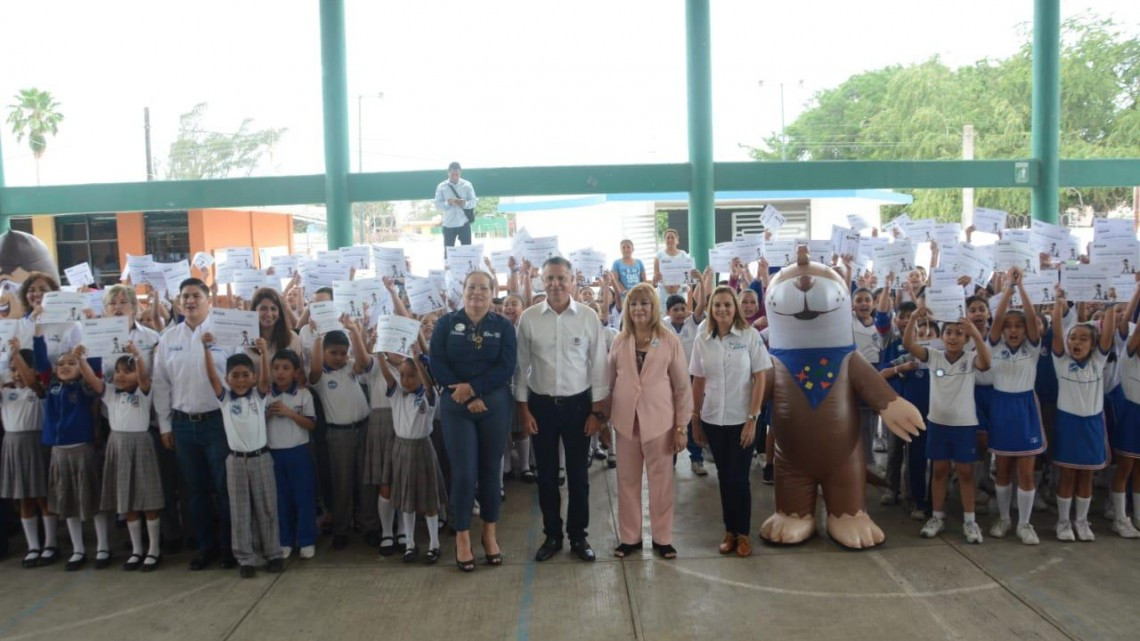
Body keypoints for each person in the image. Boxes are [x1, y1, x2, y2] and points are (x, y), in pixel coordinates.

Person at [515, 257, 609, 563]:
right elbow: (520, 368)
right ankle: (552, 535)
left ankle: (578, 536)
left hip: (578, 407)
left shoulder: (587, 317)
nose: (555, 284)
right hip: (541, 406)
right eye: (549, 278)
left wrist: (596, 413)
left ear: (572, 282)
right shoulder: (529, 319)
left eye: (561, 278)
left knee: (579, 475)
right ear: (542, 281)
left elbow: (598, 366)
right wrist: (524, 410)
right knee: (546, 477)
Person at [430, 270, 517, 571]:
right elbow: (437, 364)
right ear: (462, 291)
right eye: (471, 287)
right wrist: (466, 394)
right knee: (465, 474)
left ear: (493, 292)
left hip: (493, 402)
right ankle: (463, 537)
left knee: (491, 472)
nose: (477, 292)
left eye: (483, 287)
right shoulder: (445, 324)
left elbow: (506, 367)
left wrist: (475, 388)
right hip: (456, 403)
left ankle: (489, 536)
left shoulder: (503, 327)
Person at [152, 277, 237, 571]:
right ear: (178, 302)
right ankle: (205, 547)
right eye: (185, 297)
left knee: (224, 489)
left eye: (196, 296)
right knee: (195, 491)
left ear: (208, 300)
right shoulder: (168, 338)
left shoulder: (224, 332)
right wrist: (165, 426)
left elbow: (239, 377)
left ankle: (229, 548)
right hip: (183, 426)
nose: (190, 301)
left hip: (218, 423)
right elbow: (161, 385)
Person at [606, 284, 693, 559]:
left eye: (644, 303)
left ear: (654, 307)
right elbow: (609, 383)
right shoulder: (620, 340)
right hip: (626, 423)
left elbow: (682, 388)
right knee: (627, 481)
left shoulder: (668, 340)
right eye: (633, 304)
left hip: (660, 423)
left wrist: (681, 427)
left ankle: (662, 538)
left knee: (662, 482)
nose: (638, 309)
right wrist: (604, 420)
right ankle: (630, 538)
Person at [690, 286, 771, 557]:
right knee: (724, 477)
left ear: (735, 307)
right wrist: (695, 418)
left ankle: (744, 533)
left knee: (740, 478)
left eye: (727, 304)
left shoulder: (750, 337)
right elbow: (698, 380)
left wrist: (753, 417)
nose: (722, 310)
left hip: (741, 419)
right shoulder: (703, 339)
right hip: (713, 419)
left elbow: (761, 377)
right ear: (711, 309)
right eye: (717, 305)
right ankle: (730, 531)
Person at [904, 302, 991, 543]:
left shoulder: (971, 358)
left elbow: (986, 362)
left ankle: (970, 521)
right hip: (938, 424)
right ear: (941, 337)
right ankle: (937, 517)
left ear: (966, 338)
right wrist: (913, 318)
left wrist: (976, 334)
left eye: (959, 333)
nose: (953, 338)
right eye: (949, 333)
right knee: (939, 471)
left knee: (965, 473)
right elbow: (909, 344)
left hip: (964, 426)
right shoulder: (933, 356)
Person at [202, 336, 284, 578]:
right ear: (227, 379)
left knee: (267, 507)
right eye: (234, 375)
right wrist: (206, 349)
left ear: (254, 377)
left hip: (261, 459)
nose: (240, 380)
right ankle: (245, 558)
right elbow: (211, 377)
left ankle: (273, 554)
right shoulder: (225, 399)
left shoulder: (259, 396)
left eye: (245, 374)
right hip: (236, 461)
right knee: (240, 511)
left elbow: (266, 378)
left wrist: (262, 352)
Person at [78, 343, 165, 572]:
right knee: (128, 502)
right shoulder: (110, 394)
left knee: (148, 499)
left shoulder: (143, 392)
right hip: (118, 445)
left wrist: (137, 355)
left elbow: (144, 377)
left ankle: (153, 549)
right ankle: (137, 550)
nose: (120, 376)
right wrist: (81, 359)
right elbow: (93, 380)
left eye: (127, 371)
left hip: (141, 445)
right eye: (117, 371)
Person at [32, 331, 109, 571]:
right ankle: (78, 549)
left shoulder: (85, 389)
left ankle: (103, 547)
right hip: (58, 452)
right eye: (61, 364)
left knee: (92, 499)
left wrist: (87, 340)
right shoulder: (53, 386)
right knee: (67, 501)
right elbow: (42, 363)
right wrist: (38, 337)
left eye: (71, 363)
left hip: (82, 449)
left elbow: (94, 372)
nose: (65, 366)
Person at [986, 268, 1046, 544]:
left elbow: (1032, 318)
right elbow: (996, 317)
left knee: (1025, 470)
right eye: (1009, 326)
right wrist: (1008, 287)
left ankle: (1024, 523)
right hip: (1001, 407)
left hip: (1024, 409)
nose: (1012, 329)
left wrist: (1021, 288)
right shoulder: (995, 346)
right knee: (1004, 468)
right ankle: (1004, 518)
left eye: (1018, 325)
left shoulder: (1032, 347)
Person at [1050, 289, 1114, 542]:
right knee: (1067, 474)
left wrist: (1110, 304)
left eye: (1083, 339)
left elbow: (1108, 333)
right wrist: (1057, 303)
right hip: (1068, 424)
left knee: (1087, 474)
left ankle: (1081, 521)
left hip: (1092, 425)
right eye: (1072, 338)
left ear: (1093, 344)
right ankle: (1063, 522)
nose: (1076, 343)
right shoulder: (1061, 362)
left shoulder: (1099, 360)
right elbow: (1056, 331)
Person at [309, 320, 371, 550]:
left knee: (366, 481)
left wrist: (354, 331)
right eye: (333, 353)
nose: (339, 357)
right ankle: (341, 529)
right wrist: (317, 337)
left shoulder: (350, 366)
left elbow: (364, 362)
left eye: (343, 353)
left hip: (363, 429)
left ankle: (369, 525)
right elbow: (314, 370)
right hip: (339, 435)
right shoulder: (320, 377)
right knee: (342, 483)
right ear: (324, 352)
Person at [379, 348, 444, 564]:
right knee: (406, 499)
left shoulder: (428, 397)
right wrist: (379, 355)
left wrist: (417, 360)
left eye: (411, 375)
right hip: (401, 448)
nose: (405, 380)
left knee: (428, 499)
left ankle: (434, 544)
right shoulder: (398, 395)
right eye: (403, 375)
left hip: (422, 447)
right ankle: (410, 544)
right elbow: (389, 377)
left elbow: (428, 387)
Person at [2, 344, 54, 568]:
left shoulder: (38, 390)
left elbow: (33, 383)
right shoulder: (6, 392)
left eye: (21, 368)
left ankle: (50, 544)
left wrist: (15, 354)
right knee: (25, 498)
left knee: (44, 497)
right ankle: (33, 545)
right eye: (12, 369)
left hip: (36, 444)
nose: (17, 373)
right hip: (13, 445)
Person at [265, 350, 318, 559]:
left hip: (299, 452)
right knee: (281, 499)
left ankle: (306, 540)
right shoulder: (266, 394)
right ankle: (285, 540)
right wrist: (267, 414)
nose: (280, 373)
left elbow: (311, 424)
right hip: (274, 453)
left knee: (304, 497)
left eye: (286, 368)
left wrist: (289, 413)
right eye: (276, 368)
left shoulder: (304, 394)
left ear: (296, 372)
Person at [434, 161, 478, 252]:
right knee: (448, 255)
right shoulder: (441, 186)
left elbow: (474, 202)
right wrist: (447, 203)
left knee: (468, 253)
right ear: (448, 172)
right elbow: (437, 205)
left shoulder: (467, 185)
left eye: (457, 174)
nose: (454, 177)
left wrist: (464, 203)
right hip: (448, 225)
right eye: (452, 174)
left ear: (460, 173)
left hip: (464, 223)